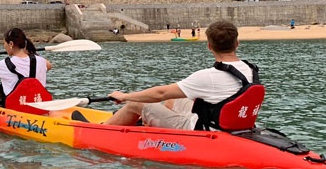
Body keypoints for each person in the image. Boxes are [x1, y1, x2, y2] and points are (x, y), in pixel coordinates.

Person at [102, 19, 258, 129]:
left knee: (135, 104)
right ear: (237, 43)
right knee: (176, 97)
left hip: (202, 129)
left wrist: (124, 96)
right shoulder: (250, 69)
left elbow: (160, 93)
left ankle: (101, 130)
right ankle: (150, 125)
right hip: (226, 123)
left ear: (209, 46)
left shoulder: (208, 76)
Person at [0, 28, 52, 108]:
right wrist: (30, 54)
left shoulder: (4, 64)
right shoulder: (41, 61)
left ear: (11, 44)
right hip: (38, 104)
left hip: (14, 107)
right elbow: (49, 66)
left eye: (4, 43)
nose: (4, 46)